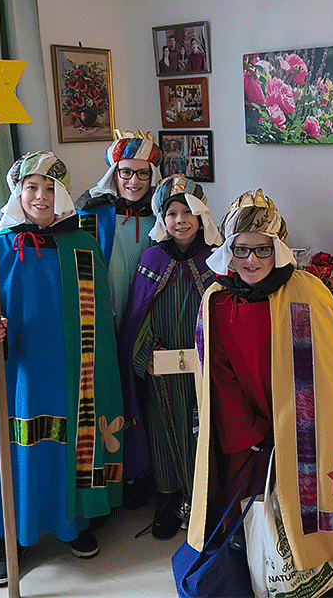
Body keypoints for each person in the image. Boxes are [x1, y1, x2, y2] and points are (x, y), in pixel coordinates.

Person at [0, 152, 123, 587]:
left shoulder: (82, 244)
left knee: (72, 443)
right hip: (19, 375)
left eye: (50, 188)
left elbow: (99, 312)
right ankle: (13, 537)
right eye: (32, 188)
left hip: (72, 372)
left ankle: (73, 524)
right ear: (18, 193)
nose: (41, 197)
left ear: (61, 193)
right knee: (19, 448)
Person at [187, 189, 333, 597]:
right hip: (247, 424)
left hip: (302, 422)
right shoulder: (218, 299)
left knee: (306, 496)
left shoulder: (307, 292)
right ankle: (255, 566)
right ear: (228, 250)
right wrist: (251, 430)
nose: (252, 261)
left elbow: (327, 373)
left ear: (277, 249)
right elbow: (218, 373)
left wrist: (292, 423)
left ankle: (317, 564)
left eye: (262, 250)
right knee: (249, 497)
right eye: (241, 250)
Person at [122, 175, 222, 539]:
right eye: (171, 213)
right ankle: (167, 500)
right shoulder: (151, 258)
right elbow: (137, 315)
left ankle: (202, 501)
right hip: (162, 370)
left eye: (188, 212)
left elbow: (224, 311)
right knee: (163, 431)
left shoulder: (215, 259)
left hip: (203, 367)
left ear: (201, 215)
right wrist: (146, 354)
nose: (180, 220)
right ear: (161, 219)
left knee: (202, 431)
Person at [75, 131, 163, 510]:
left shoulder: (164, 214)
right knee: (112, 399)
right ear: (114, 172)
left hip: (147, 323)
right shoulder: (91, 213)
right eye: (126, 173)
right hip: (105, 321)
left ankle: (146, 475)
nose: (134, 182)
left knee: (146, 399)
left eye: (142, 175)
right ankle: (113, 479)